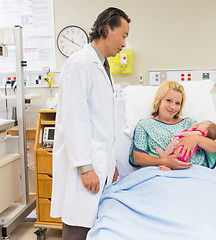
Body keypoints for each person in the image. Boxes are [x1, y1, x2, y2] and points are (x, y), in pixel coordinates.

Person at [50, 7, 131, 240]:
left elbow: (103, 123)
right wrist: (85, 168)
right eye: (123, 35)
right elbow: (75, 119)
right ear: (107, 29)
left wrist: (109, 164)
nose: (124, 43)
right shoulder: (80, 63)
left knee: (93, 229)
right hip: (85, 168)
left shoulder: (102, 66)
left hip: (99, 165)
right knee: (77, 229)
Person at [129, 81, 216, 170]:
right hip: (161, 174)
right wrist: (164, 161)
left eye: (177, 103)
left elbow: (214, 147)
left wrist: (197, 139)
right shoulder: (145, 126)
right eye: (169, 100)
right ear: (159, 101)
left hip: (195, 173)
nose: (173, 107)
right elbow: (138, 158)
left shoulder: (191, 124)